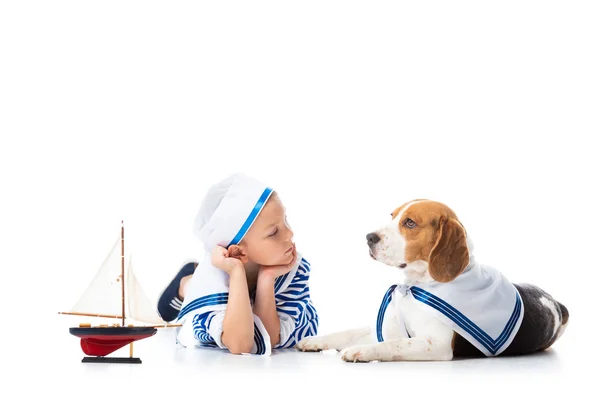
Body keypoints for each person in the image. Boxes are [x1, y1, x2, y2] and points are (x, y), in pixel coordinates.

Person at [157, 172, 318, 355]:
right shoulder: (212, 282)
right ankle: (185, 284)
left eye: (285, 220)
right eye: (273, 232)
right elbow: (241, 345)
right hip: (220, 279)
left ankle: (191, 277)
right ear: (239, 250)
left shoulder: (292, 266)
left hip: (272, 302)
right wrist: (236, 272)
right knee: (197, 286)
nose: (290, 233)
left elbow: (267, 339)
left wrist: (267, 278)